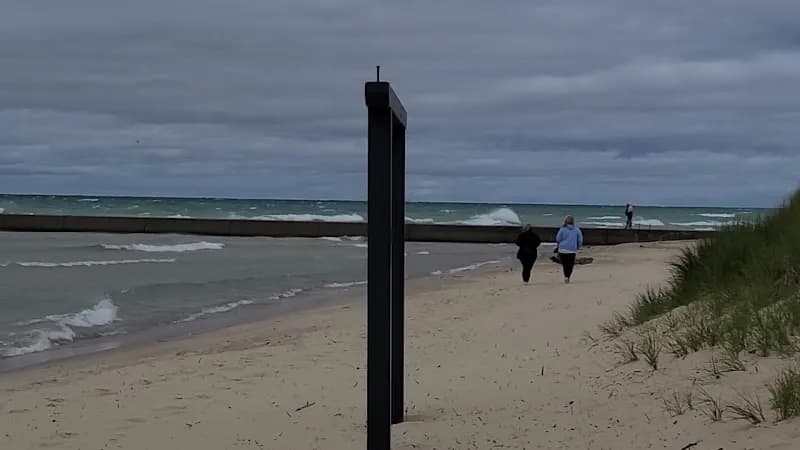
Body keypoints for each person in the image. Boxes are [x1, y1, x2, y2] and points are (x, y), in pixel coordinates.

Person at [555, 215, 583, 283]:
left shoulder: (562, 229)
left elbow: (558, 239)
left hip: (562, 249)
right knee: (570, 265)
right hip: (572, 250)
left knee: (565, 264)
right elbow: (580, 240)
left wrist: (559, 245)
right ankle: (567, 276)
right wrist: (578, 246)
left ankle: (566, 276)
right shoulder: (577, 229)